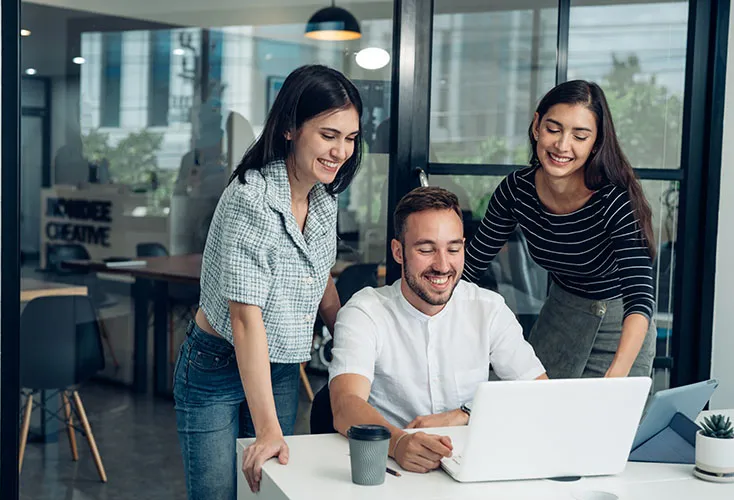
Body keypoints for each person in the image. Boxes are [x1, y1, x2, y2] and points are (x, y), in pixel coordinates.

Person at [173, 64, 364, 499]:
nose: (341, 151)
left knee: (265, 491)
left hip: (277, 366)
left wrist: (355, 344)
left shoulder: (323, 196)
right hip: (216, 365)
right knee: (220, 494)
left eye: (350, 138)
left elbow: (321, 281)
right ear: (291, 129)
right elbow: (245, 320)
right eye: (329, 135)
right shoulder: (251, 198)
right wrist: (269, 430)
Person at [329, 187, 547, 474]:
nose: (443, 265)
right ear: (398, 251)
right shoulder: (366, 311)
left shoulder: (488, 308)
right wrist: (397, 444)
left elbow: (540, 395)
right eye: (426, 249)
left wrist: (465, 415)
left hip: (469, 467)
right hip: (389, 471)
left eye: (453, 249)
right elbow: (345, 404)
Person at [464, 80, 657, 380]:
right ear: (536, 126)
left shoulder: (614, 199)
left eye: (580, 136)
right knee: (538, 417)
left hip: (620, 330)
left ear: (596, 142)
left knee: (608, 425)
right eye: (554, 129)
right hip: (560, 316)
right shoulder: (517, 191)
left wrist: (618, 372)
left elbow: (640, 295)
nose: (562, 145)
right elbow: (472, 263)